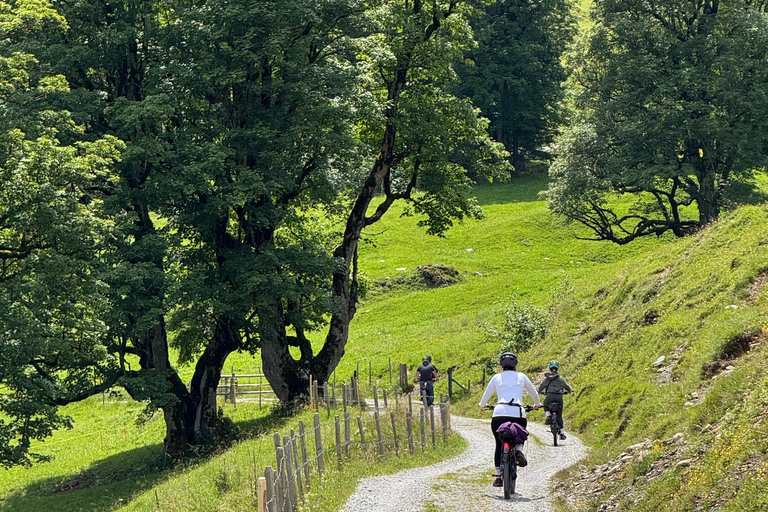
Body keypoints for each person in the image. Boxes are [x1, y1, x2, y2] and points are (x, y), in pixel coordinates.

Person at [478, 352, 541, 487]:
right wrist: (537, 404)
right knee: (520, 434)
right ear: (515, 364)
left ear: (501, 365)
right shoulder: (521, 377)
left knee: (498, 444)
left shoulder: (496, 377)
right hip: (518, 412)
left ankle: (498, 477)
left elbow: (486, 395)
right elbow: (534, 393)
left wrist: (482, 405)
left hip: (499, 413)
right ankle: (518, 449)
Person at [537, 360, 572, 440]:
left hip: (549, 396)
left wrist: (539, 391)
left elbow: (541, 387)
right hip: (559, 397)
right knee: (559, 415)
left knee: (545, 405)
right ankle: (562, 434)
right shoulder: (561, 379)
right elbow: (567, 387)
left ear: (549, 368)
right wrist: (569, 391)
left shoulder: (547, 379)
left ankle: (549, 416)